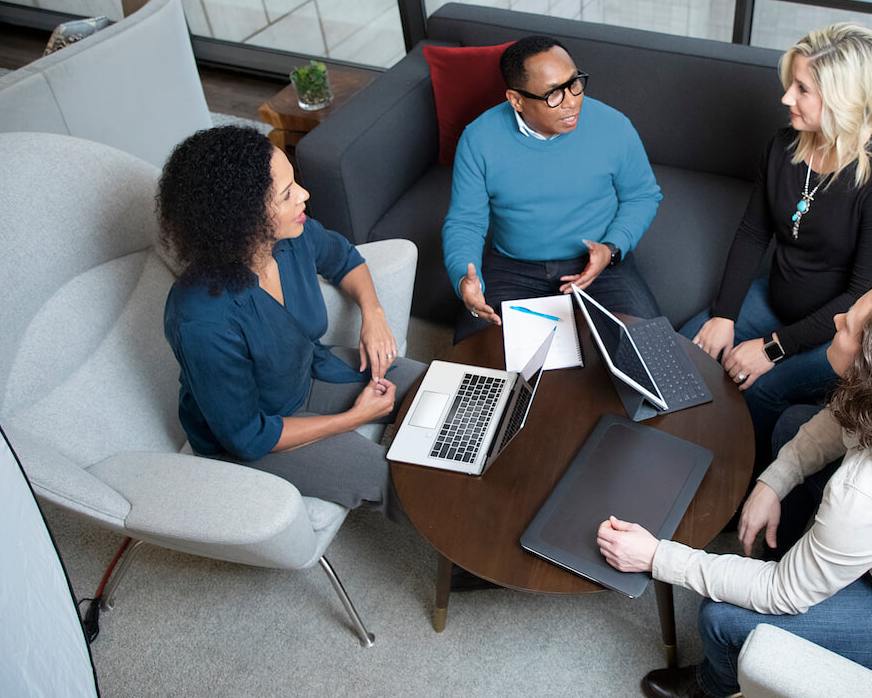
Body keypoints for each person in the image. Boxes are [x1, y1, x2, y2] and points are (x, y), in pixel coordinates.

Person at [598, 273, 872, 698]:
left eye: (849, 326)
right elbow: (837, 421)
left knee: (721, 617)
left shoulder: (868, 496)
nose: (836, 319)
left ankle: (710, 688)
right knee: (794, 424)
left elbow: (781, 593)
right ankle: (795, 558)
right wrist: (772, 482)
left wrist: (656, 556)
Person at [679, 22, 872, 464]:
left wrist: (772, 348)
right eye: (791, 83)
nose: (786, 97)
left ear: (844, 98)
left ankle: (734, 486)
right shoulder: (786, 144)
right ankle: (667, 448)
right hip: (777, 298)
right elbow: (754, 232)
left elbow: (861, 296)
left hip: (848, 332)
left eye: (802, 89)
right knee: (684, 350)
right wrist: (724, 315)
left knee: (761, 391)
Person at [157, 125, 425, 515]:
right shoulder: (202, 320)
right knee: (395, 479)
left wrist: (374, 314)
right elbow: (248, 436)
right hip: (260, 434)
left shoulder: (291, 236)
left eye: (294, 183)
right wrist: (353, 419)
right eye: (287, 194)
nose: (304, 195)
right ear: (244, 218)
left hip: (307, 372)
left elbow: (344, 258)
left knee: (439, 389)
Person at [442, 35, 664, 342]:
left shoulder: (614, 126)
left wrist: (611, 249)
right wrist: (465, 278)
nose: (572, 100)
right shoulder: (478, 138)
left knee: (652, 352)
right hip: (512, 267)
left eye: (574, 83)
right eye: (553, 95)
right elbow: (465, 221)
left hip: (598, 262)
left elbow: (642, 195)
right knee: (474, 356)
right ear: (516, 100)